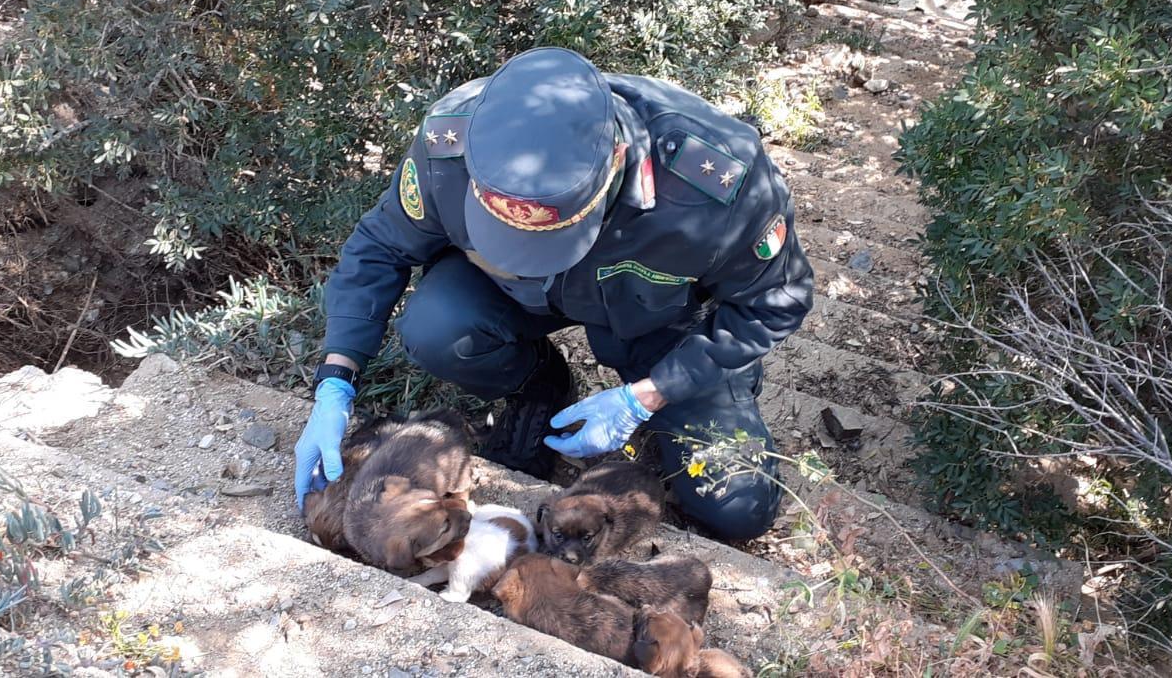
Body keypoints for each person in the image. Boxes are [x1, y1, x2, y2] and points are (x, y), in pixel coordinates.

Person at [292, 47, 813, 541]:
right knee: (436, 327)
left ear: (616, 165)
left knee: (738, 507)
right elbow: (380, 246)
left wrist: (650, 393)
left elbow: (775, 301)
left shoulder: (715, 185)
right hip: (514, 295)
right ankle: (539, 384)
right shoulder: (452, 144)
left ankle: (666, 408)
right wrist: (335, 381)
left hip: (659, 328)